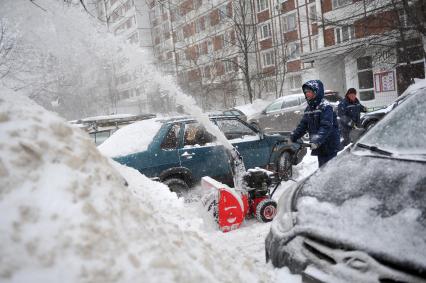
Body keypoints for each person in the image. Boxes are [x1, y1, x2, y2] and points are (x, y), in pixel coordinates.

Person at [290, 80, 340, 168]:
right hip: (320, 145)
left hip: (329, 144)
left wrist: (316, 140)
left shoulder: (325, 107)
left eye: (309, 91)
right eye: (305, 92)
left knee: (329, 169)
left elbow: (326, 126)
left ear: (316, 92)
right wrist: (293, 137)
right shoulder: (309, 109)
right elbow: (303, 125)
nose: (307, 94)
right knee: (322, 169)